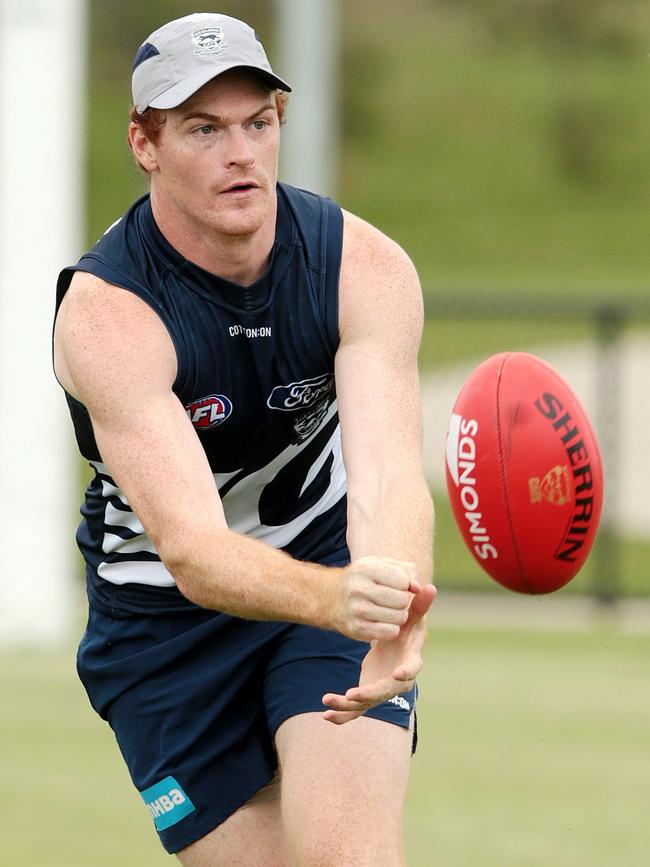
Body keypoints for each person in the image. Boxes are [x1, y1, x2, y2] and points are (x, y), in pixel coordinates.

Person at [53, 11, 435, 866]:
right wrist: (336, 598)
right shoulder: (110, 315)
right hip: (163, 627)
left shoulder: (363, 268)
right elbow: (192, 550)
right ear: (144, 143)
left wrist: (394, 600)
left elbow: (385, 473)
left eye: (258, 123)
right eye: (203, 129)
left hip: (325, 575)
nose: (241, 153)